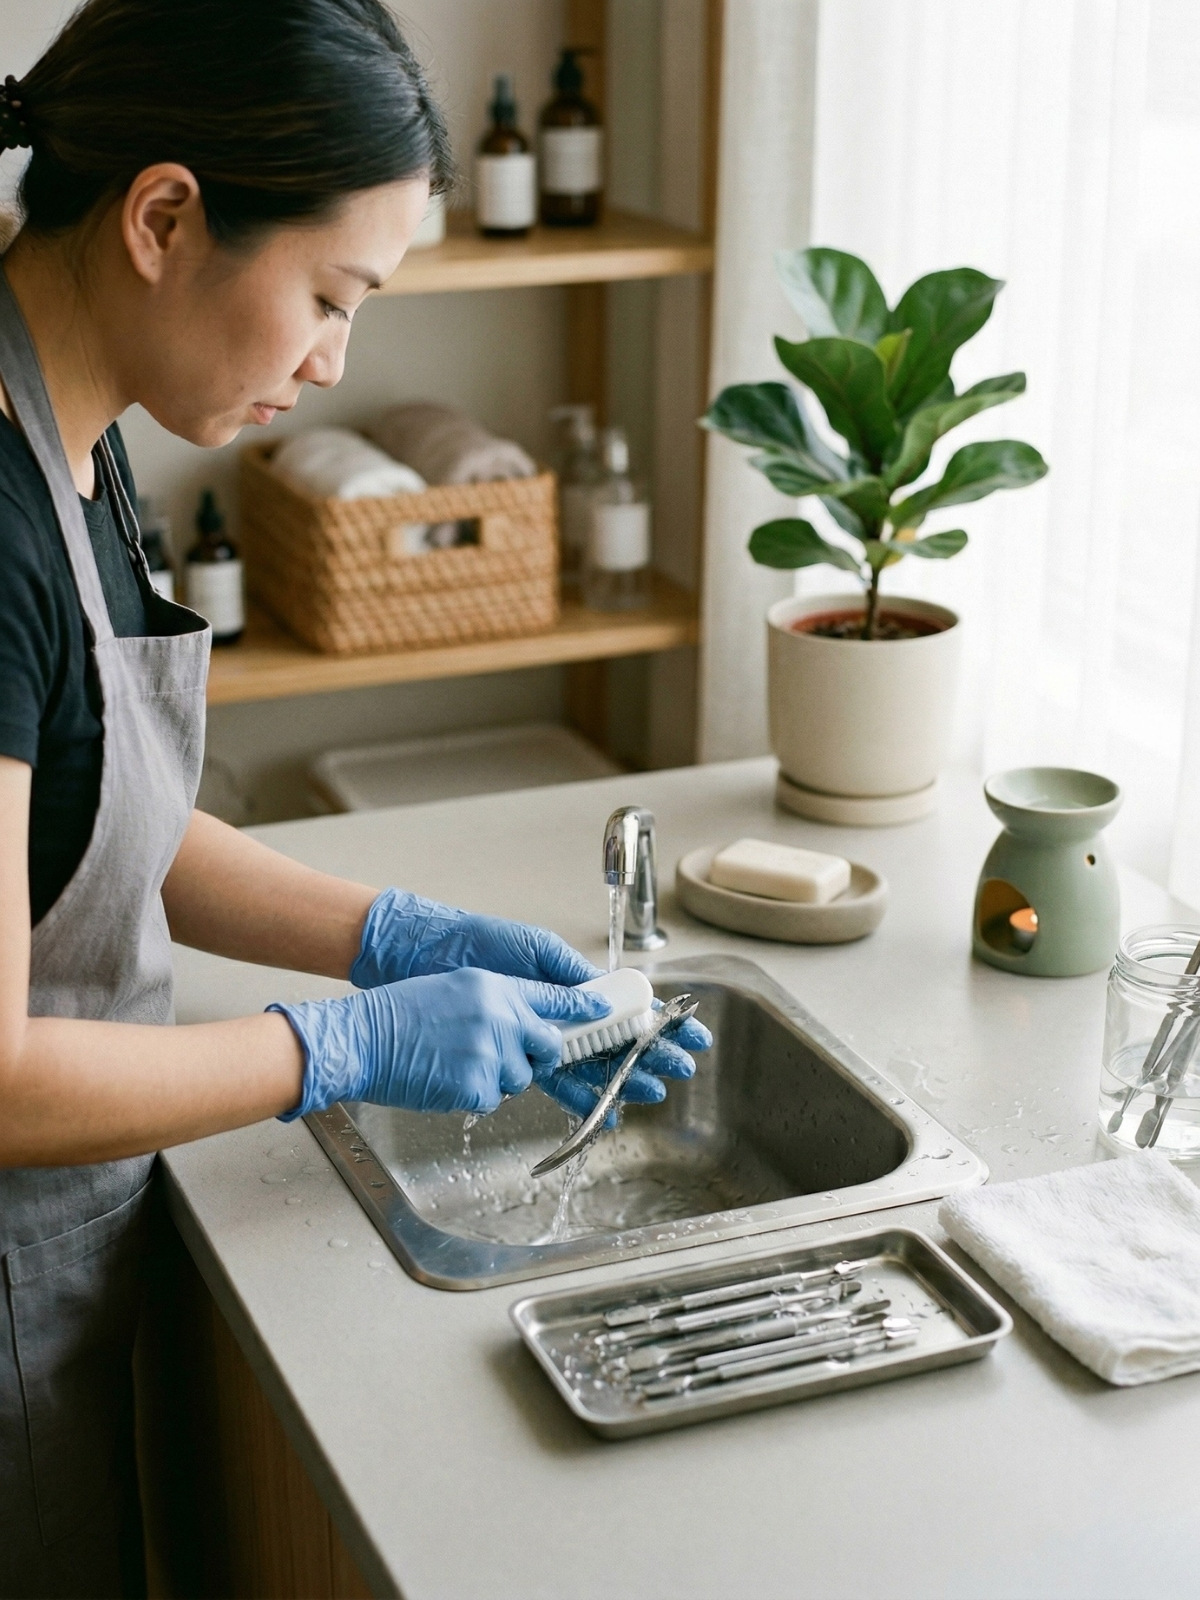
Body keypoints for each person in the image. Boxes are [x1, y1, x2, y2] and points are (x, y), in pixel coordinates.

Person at [0, 4, 709, 1595]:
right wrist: (342, 1047)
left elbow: (96, 816)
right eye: (330, 297)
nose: (333, 364)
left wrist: (388, 935)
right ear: (165, 217)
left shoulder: (86, 426)